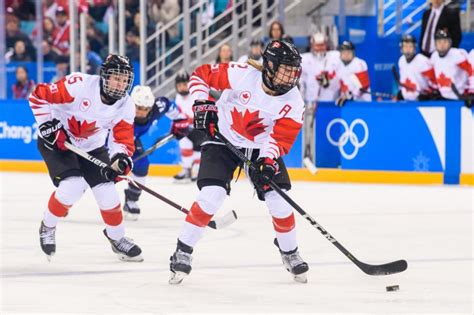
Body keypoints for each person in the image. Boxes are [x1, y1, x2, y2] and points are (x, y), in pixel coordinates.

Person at [169, 40, 309, 285]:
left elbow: (281, 137)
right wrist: (203, 103)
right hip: (223, 138)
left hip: (260, 148)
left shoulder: (294, 101)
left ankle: (290, 252)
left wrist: (267, 160)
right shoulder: (241, 74)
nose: (290, 77)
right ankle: (182, 250)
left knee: (280, 200)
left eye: (293, 71)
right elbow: (200, 76)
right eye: (285, 69)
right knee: (211, 195)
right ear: (269, 66)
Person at [28, 54, 143, 262]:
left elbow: (122, 139)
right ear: (104, 76)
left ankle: (117, 238)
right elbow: (38, 95)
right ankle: (48, 226)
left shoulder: (126, 105)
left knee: (108, 192)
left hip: (93, 148)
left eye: (125, 80)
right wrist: (47, 125)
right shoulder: (79, 85)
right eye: (116, 78)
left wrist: (120, 159)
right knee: (73, 187)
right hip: (58, 141)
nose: (121, 84)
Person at [122, 85, 191, 220]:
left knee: (142, 166)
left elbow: (172, 108)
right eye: (139, 108)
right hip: (113, 140)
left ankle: (131, 201)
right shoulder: (121, 110)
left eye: (146, 109)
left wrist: (181, 123)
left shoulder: (158, 106)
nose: (142, 112)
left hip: (132, 140)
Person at [172, 71, 207, 182]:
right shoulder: (177, 98)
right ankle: (187, 168)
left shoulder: (196, 94)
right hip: (187, 128)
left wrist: (191, 119)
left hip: (200, 128)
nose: (182, 88)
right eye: (179, 85)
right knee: (184, 141)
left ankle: (196, 169)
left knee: (198, 145)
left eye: (184, 84)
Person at [430, 30, 473, 100]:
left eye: (445, 42)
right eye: (439, 42)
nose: (442, 45)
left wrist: (471, 91)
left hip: (460, 97)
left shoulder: (457, 55)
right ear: (435, 44)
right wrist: (434, 89)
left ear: (450, 43)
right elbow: (433, 76)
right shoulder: (434, 57)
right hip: (443, 97)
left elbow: (471, 71)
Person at [300, 32, 340, 103]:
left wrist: (330, 82)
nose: (320, 48)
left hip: (330, 101)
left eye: (322, 45)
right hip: (310, 100)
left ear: (326, 45)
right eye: (317, 45)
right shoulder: (304, 59)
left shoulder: (335, 56)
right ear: (312, 45)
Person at [397, 34, 438, 101]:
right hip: (406, 101)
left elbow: (434, 82)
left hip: (421, 102)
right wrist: (402, 92)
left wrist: (428, 94)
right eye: (405, 47)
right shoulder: (401, 61)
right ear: (401, 49)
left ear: (415, 48)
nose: (408, 50)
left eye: (410, 47)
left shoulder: (423, 61)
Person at [335, 41, 372, 106]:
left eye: (348, 52)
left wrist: (351, 95)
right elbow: (340, 84)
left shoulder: (360, 64)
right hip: (346, 103)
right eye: (343, 52)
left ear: (353, 53)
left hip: (362, 102)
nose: (346, 55)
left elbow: (362, 86)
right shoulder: (338, 65)